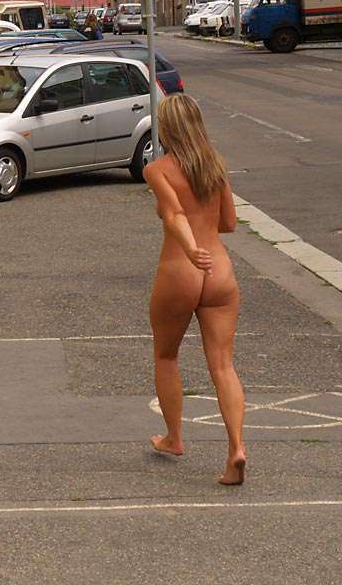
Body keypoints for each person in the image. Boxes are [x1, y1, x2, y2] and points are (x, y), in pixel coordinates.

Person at [143, 94, 246, 485]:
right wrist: (202, 238)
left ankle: (174, 438)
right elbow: (229, 223)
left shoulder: (158, 170)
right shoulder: (215, 167)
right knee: (223, 365)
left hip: (182, 269)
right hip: (219, 270)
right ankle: (236, 449)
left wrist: (189, 248)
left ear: (167, 129)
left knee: (166, 355)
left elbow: (174, 214)